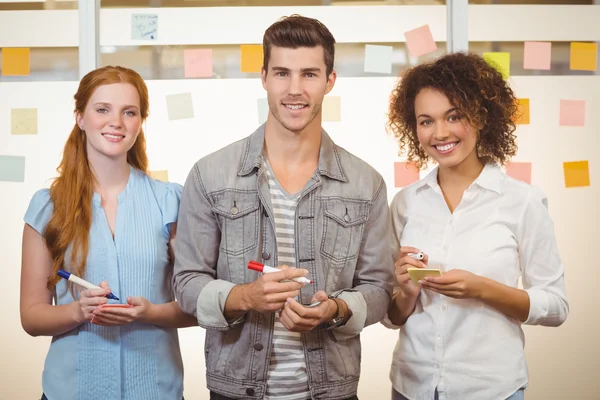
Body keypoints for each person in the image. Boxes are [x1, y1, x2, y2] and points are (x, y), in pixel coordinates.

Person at [173, 15, 393, 400]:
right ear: (263, 77)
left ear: (330, 81)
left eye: (309, 74)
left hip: (331, 390)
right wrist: (245, 297)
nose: (295, 89)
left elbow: (378, 288)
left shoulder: (366, 184)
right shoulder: (210, 175)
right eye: (282, 73)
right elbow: (187, 282)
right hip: (236, 390)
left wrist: (336, 310)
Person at [384, 52, 569, 400]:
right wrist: (406, 293)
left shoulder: (522, 201)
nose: (440, 133)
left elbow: (556, 306)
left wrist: (483, 289)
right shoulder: (406, 202)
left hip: (490, 389)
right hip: (411, 386)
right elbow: (391, 316)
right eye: (426, 121)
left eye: (454, 116)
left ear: (482, 117)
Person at [20, 65, 197, 400]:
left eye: (129, 112)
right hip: (70, 392)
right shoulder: (47, 207)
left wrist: (151, 312)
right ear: (80, 117)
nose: (116, 121)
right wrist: (78, 311)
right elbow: (31, 316)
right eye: (102, 109)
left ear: (140, 122)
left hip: (156, 391)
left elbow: (197, 304)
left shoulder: (171, 202)